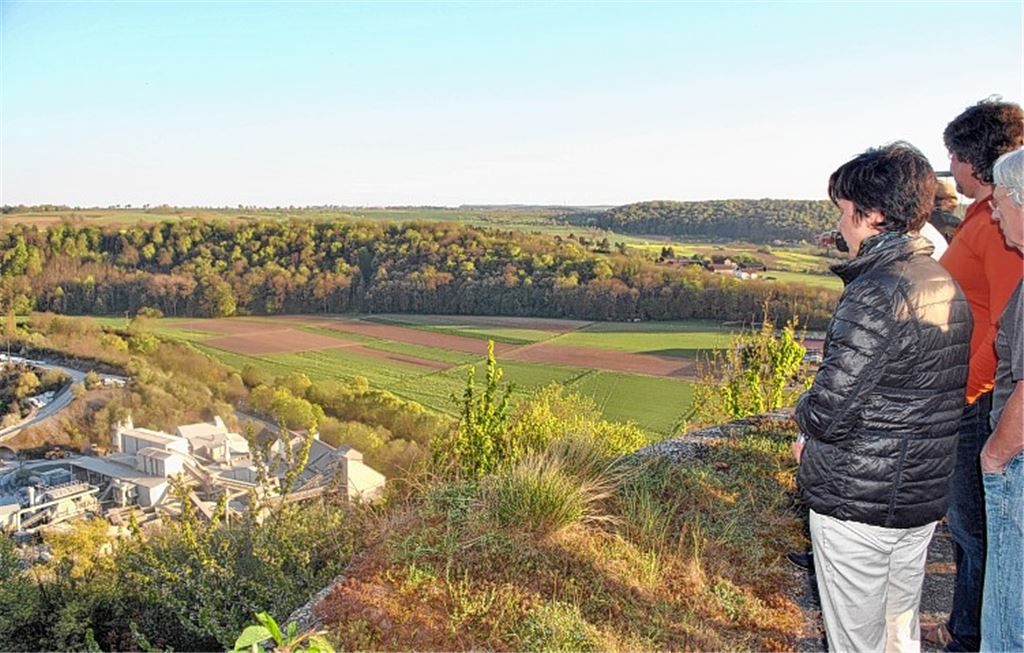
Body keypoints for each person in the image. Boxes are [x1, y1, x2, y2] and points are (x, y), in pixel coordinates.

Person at [793, 142, 972, 653]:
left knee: (856, 642)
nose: (842, 226)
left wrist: (804, 429)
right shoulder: (940, 279)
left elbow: (831, 408)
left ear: (871, 215)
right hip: (917, 494)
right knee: (899, 634)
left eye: (845, 212)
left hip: (859, 498)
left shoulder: (875, 291)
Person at [927, 98, 1024, 653]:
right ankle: (969, 628)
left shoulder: (1001, 227)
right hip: (970, 389)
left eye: (953, 157)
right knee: (972, 528)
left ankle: (973, 637)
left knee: (979, 530)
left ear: (973, 159)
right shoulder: (983, 218)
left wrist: (963, 388)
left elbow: (1008, 325)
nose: (951, 169)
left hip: (978, 397)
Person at [979, 147, 1024, 653]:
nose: (994, 211)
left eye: (1002, 201)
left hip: (1018, 463)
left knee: (1010, 622)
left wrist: (996, 455)